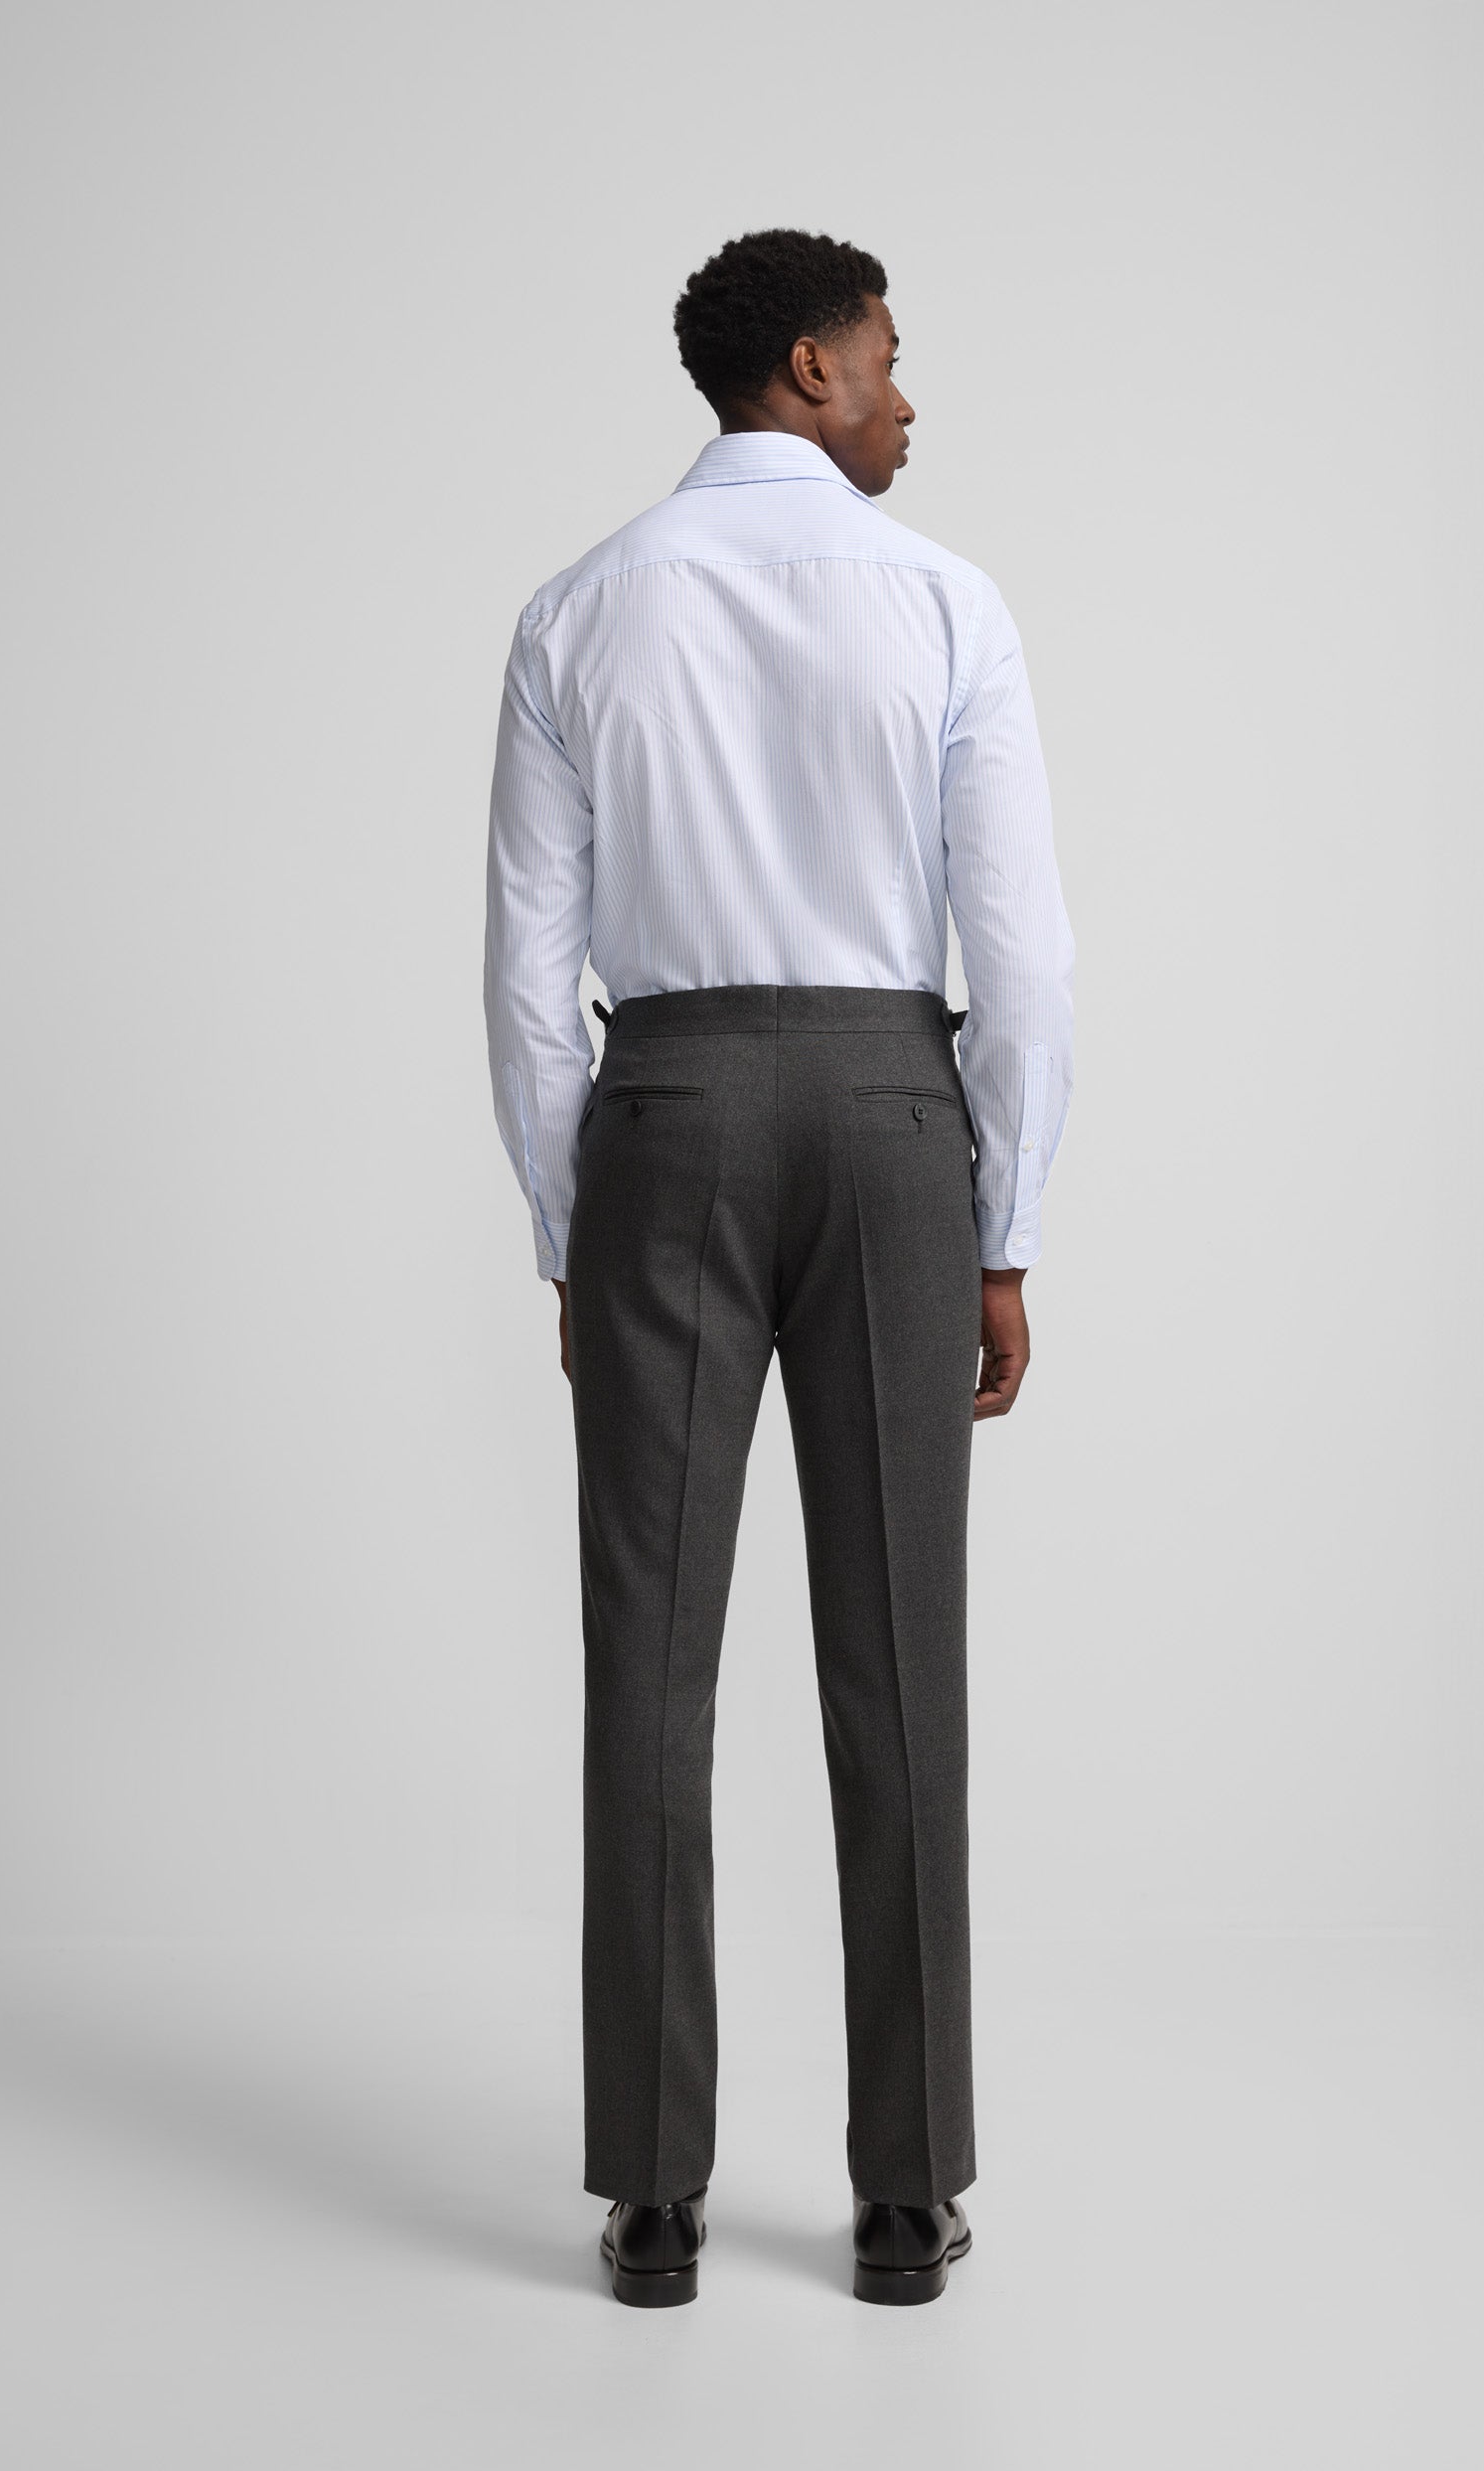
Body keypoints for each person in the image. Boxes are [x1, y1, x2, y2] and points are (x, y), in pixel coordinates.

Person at [484, 229, 1074, 2307]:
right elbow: (1021, 953)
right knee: (904, 1655)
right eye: (891, 358)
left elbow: (528, 975)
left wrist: (571, 1225)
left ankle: (652, 2197)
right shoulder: (945, 598)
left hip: (664, 1123)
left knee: (645, 1660)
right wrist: (1007, 1226)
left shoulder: (578, 609)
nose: (910, 397)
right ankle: (907, 2195)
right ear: (810, 367)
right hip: (896, 1121)